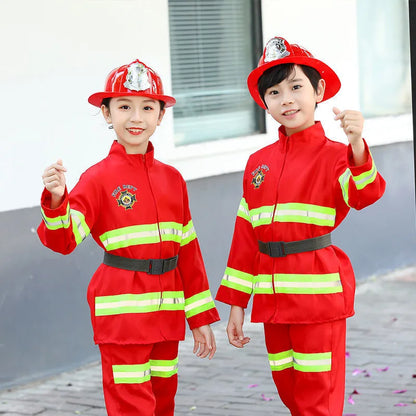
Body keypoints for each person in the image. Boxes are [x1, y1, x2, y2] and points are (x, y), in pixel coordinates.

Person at [38, 59, 220, 416]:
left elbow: (189, 253)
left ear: (160, 116)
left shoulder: (173, 180)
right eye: (124, 107)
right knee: (131, 407)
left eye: (147, 107)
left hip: (166, 314)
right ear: (107, 114)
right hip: (122, 316)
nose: (136, 118)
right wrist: (57, 199)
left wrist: (198, 318)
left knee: (162, 401)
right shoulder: (97, 178)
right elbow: (63, 241)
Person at [216, 36, 386, 415]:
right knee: (290, 391)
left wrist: (357, 145)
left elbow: (365, 193)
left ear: (318, 90)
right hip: (273, 303)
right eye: (274, 92)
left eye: (296, 87)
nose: (287, 99)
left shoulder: (336, 156)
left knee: (317, 397)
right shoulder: (257, 162)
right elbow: (246, 237)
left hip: (318, 298)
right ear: (265, 102)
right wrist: (237, 303)